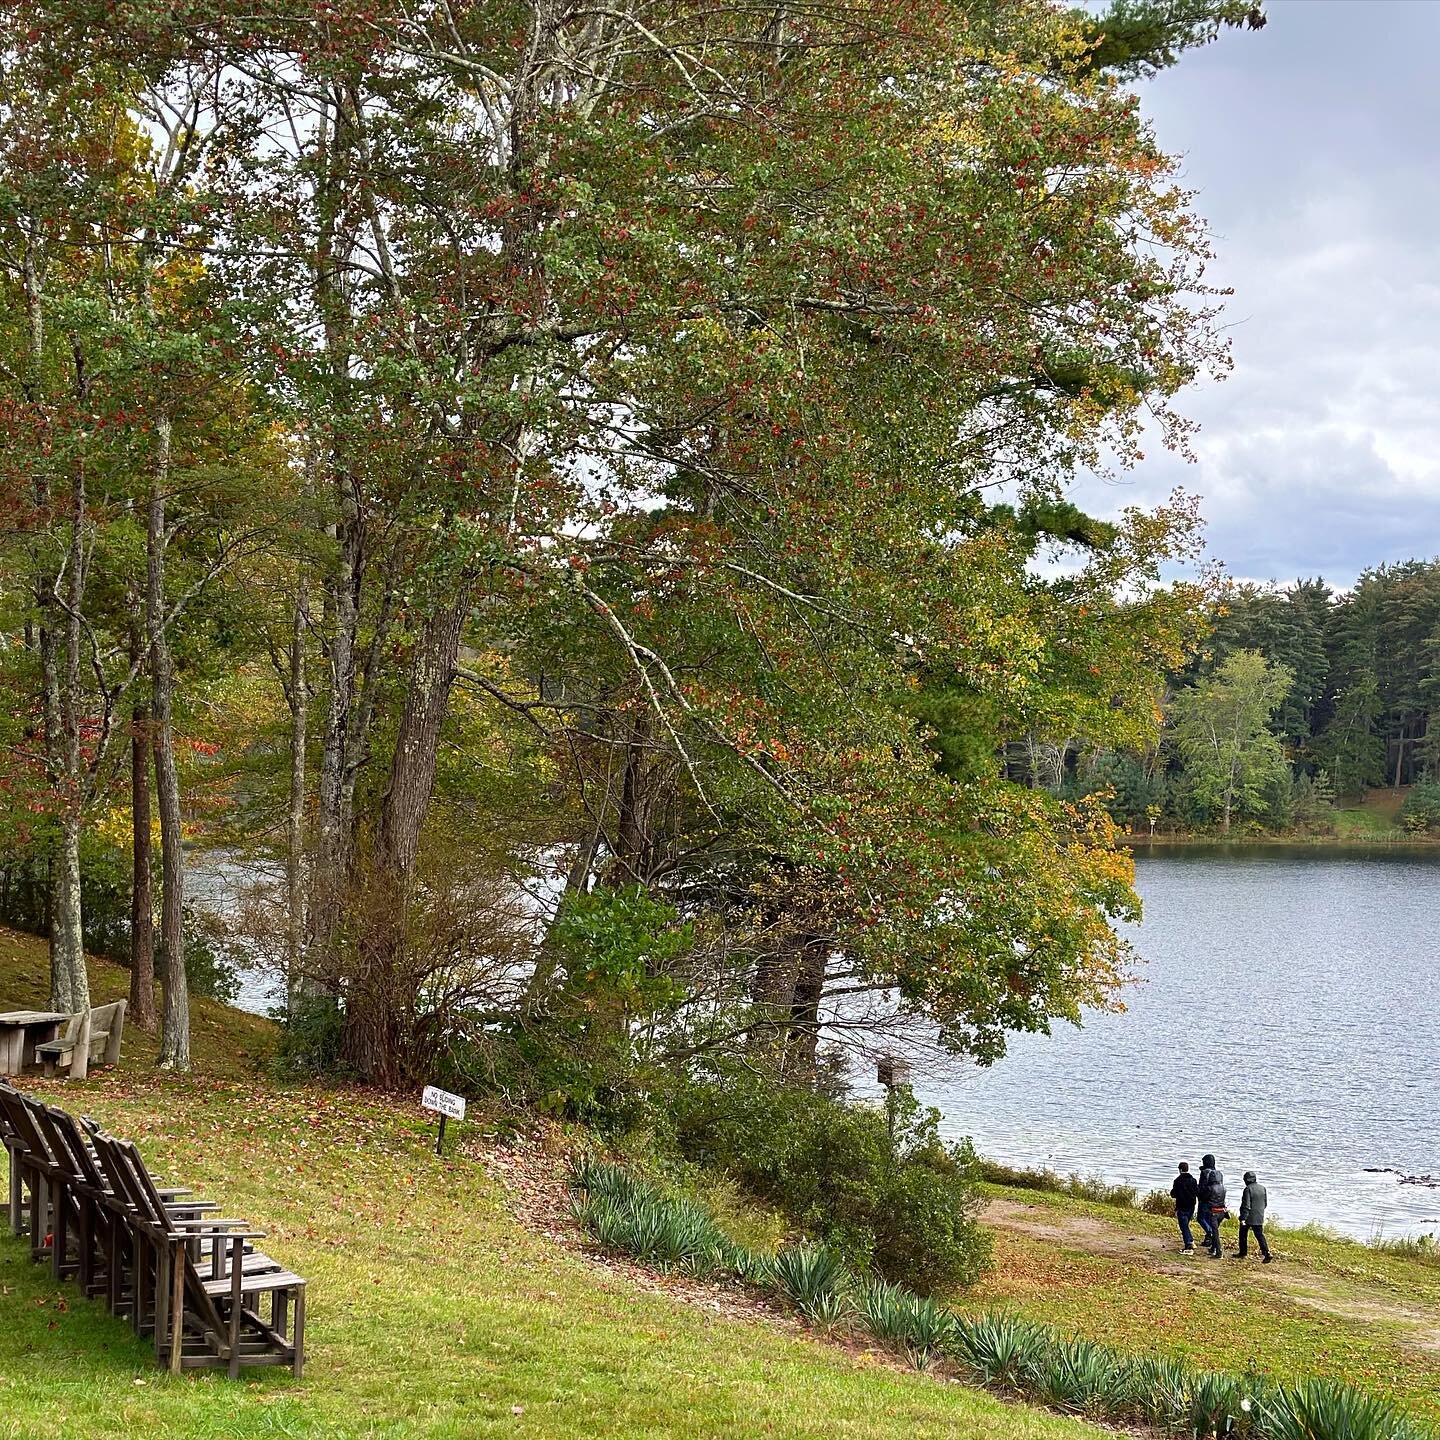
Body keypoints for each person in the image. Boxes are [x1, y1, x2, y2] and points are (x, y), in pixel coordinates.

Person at [1236, 1171, 1273, 1262]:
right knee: (1259, 1235)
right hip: (1259, 1216)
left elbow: (1246, 1205)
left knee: (1243, 1234)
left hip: (1248, 1217)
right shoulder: (1262, 1188)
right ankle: (1266, 1253)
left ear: (1246, 1180)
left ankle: (1243, 1253)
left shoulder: (1248, 1189)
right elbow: (1265, 1203)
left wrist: (1243, 1218)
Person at [1196, 1153, 1227, 1258]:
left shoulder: (1205, 1173)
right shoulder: (1217, 1174)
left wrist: (1199, 1195)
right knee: (1210, 1221)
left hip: (1206, 1200)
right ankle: (1211, 1241)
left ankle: (1210, 1235)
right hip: (1217, 1202)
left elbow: (1202, 1187)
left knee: (1201, 1218)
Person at [1170, 1161, 1199, 1254]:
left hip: (1181, 1206)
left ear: (1180, 1170)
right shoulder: (1193, 1180)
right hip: (1191, 1206)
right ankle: (1190, 1241)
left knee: (1184, 1226)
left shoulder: (1178, 1181)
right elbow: (1197, 1192)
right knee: (1185, 1225)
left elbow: (1174, 1194)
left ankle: (1189, 1244)